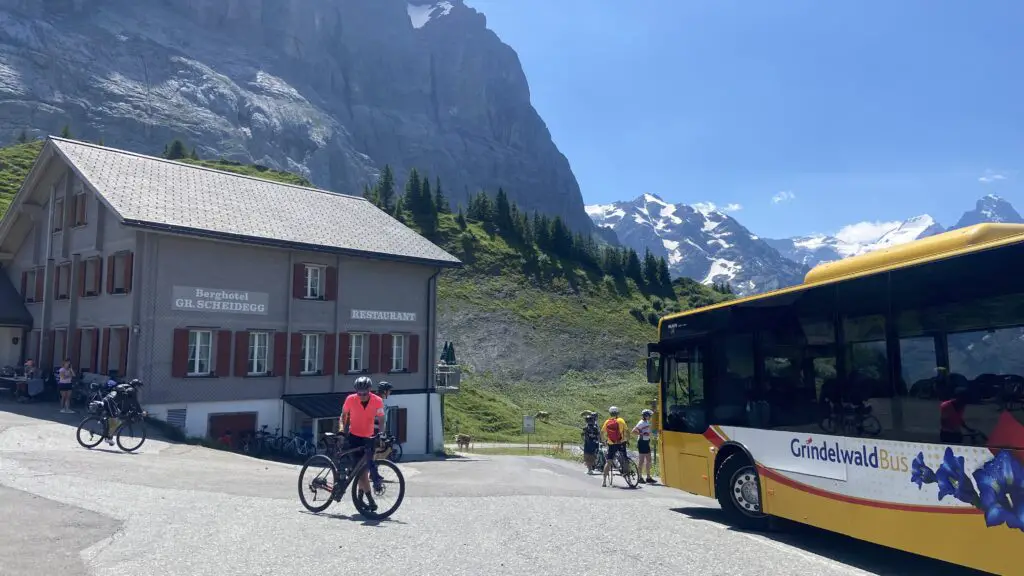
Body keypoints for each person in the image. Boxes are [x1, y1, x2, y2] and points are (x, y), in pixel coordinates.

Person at [340, 376, 386, 511]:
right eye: (359, 393)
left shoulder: (377, 401)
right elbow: (343, 416)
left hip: (369, 438)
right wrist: (342, 430)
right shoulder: (350, 399)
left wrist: (381, 434)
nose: (361, 396)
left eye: (364, 394)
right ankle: (370, 500)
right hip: (354, 438)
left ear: (370, 390)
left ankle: (359, 498)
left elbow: (381, 419)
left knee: (365, 470)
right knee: (362, 473)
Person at [601, 406, 629, 487]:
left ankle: (604, 481)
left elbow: (602, 432)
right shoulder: (621, 420)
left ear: (610, 413)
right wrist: (627, 439)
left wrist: (604, 441)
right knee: (625, 459)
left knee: (609, 461)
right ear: (618, 413)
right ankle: (628, 476)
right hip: (621, 442)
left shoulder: (607, 422)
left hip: (611, 443)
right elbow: (627, 431)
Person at [633, 409, 656, 484]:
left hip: (646, 442)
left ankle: (648, 477)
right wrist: (642, 434)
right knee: (641, 461)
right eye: (649, 415)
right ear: (646, 415)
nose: (650, 417)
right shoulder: (641, 423)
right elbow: (633, 431)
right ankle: (640, 477)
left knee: (649, 460)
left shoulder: (646, 422)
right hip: (642, 442)